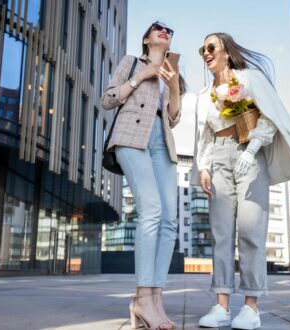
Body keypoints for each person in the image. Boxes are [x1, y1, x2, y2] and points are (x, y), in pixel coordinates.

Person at [192, 33, 290, 329]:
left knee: (251, 231)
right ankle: (221, 306)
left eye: (210, 47)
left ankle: (251, 307)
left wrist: (253, 149)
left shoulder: (249, 79)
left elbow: (270, 118)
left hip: (249, 156)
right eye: (201, 49)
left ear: (226, 53)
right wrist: (203, 167)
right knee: (221, 235)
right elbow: (204, 135)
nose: (205, 53)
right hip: (218, 159)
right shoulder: (204, 95)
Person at [101, 21, 186, 330]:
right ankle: (141, 298)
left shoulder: (172, 71)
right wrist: (141, 77)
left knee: (169, 220)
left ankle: (155, 299)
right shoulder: (131, 61)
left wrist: (174, 86)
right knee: (151, 210)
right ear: (147, 38)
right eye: (158, 28)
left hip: (162, 142)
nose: (165, 31)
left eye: (169, 30)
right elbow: (108, 98)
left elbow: (174, 118)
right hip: (132, 136)